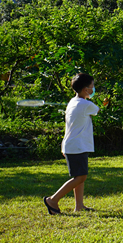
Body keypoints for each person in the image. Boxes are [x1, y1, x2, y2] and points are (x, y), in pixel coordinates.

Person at [43, 73, 99, 215]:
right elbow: (97, 109)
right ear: (86, 89)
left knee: (79, 175)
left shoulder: (72, 102)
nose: (93, 89)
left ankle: (79, 205)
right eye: (92, 87)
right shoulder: (86, 105)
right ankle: (52, 200)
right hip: (77, 145)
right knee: (81, 177)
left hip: (72, 144)